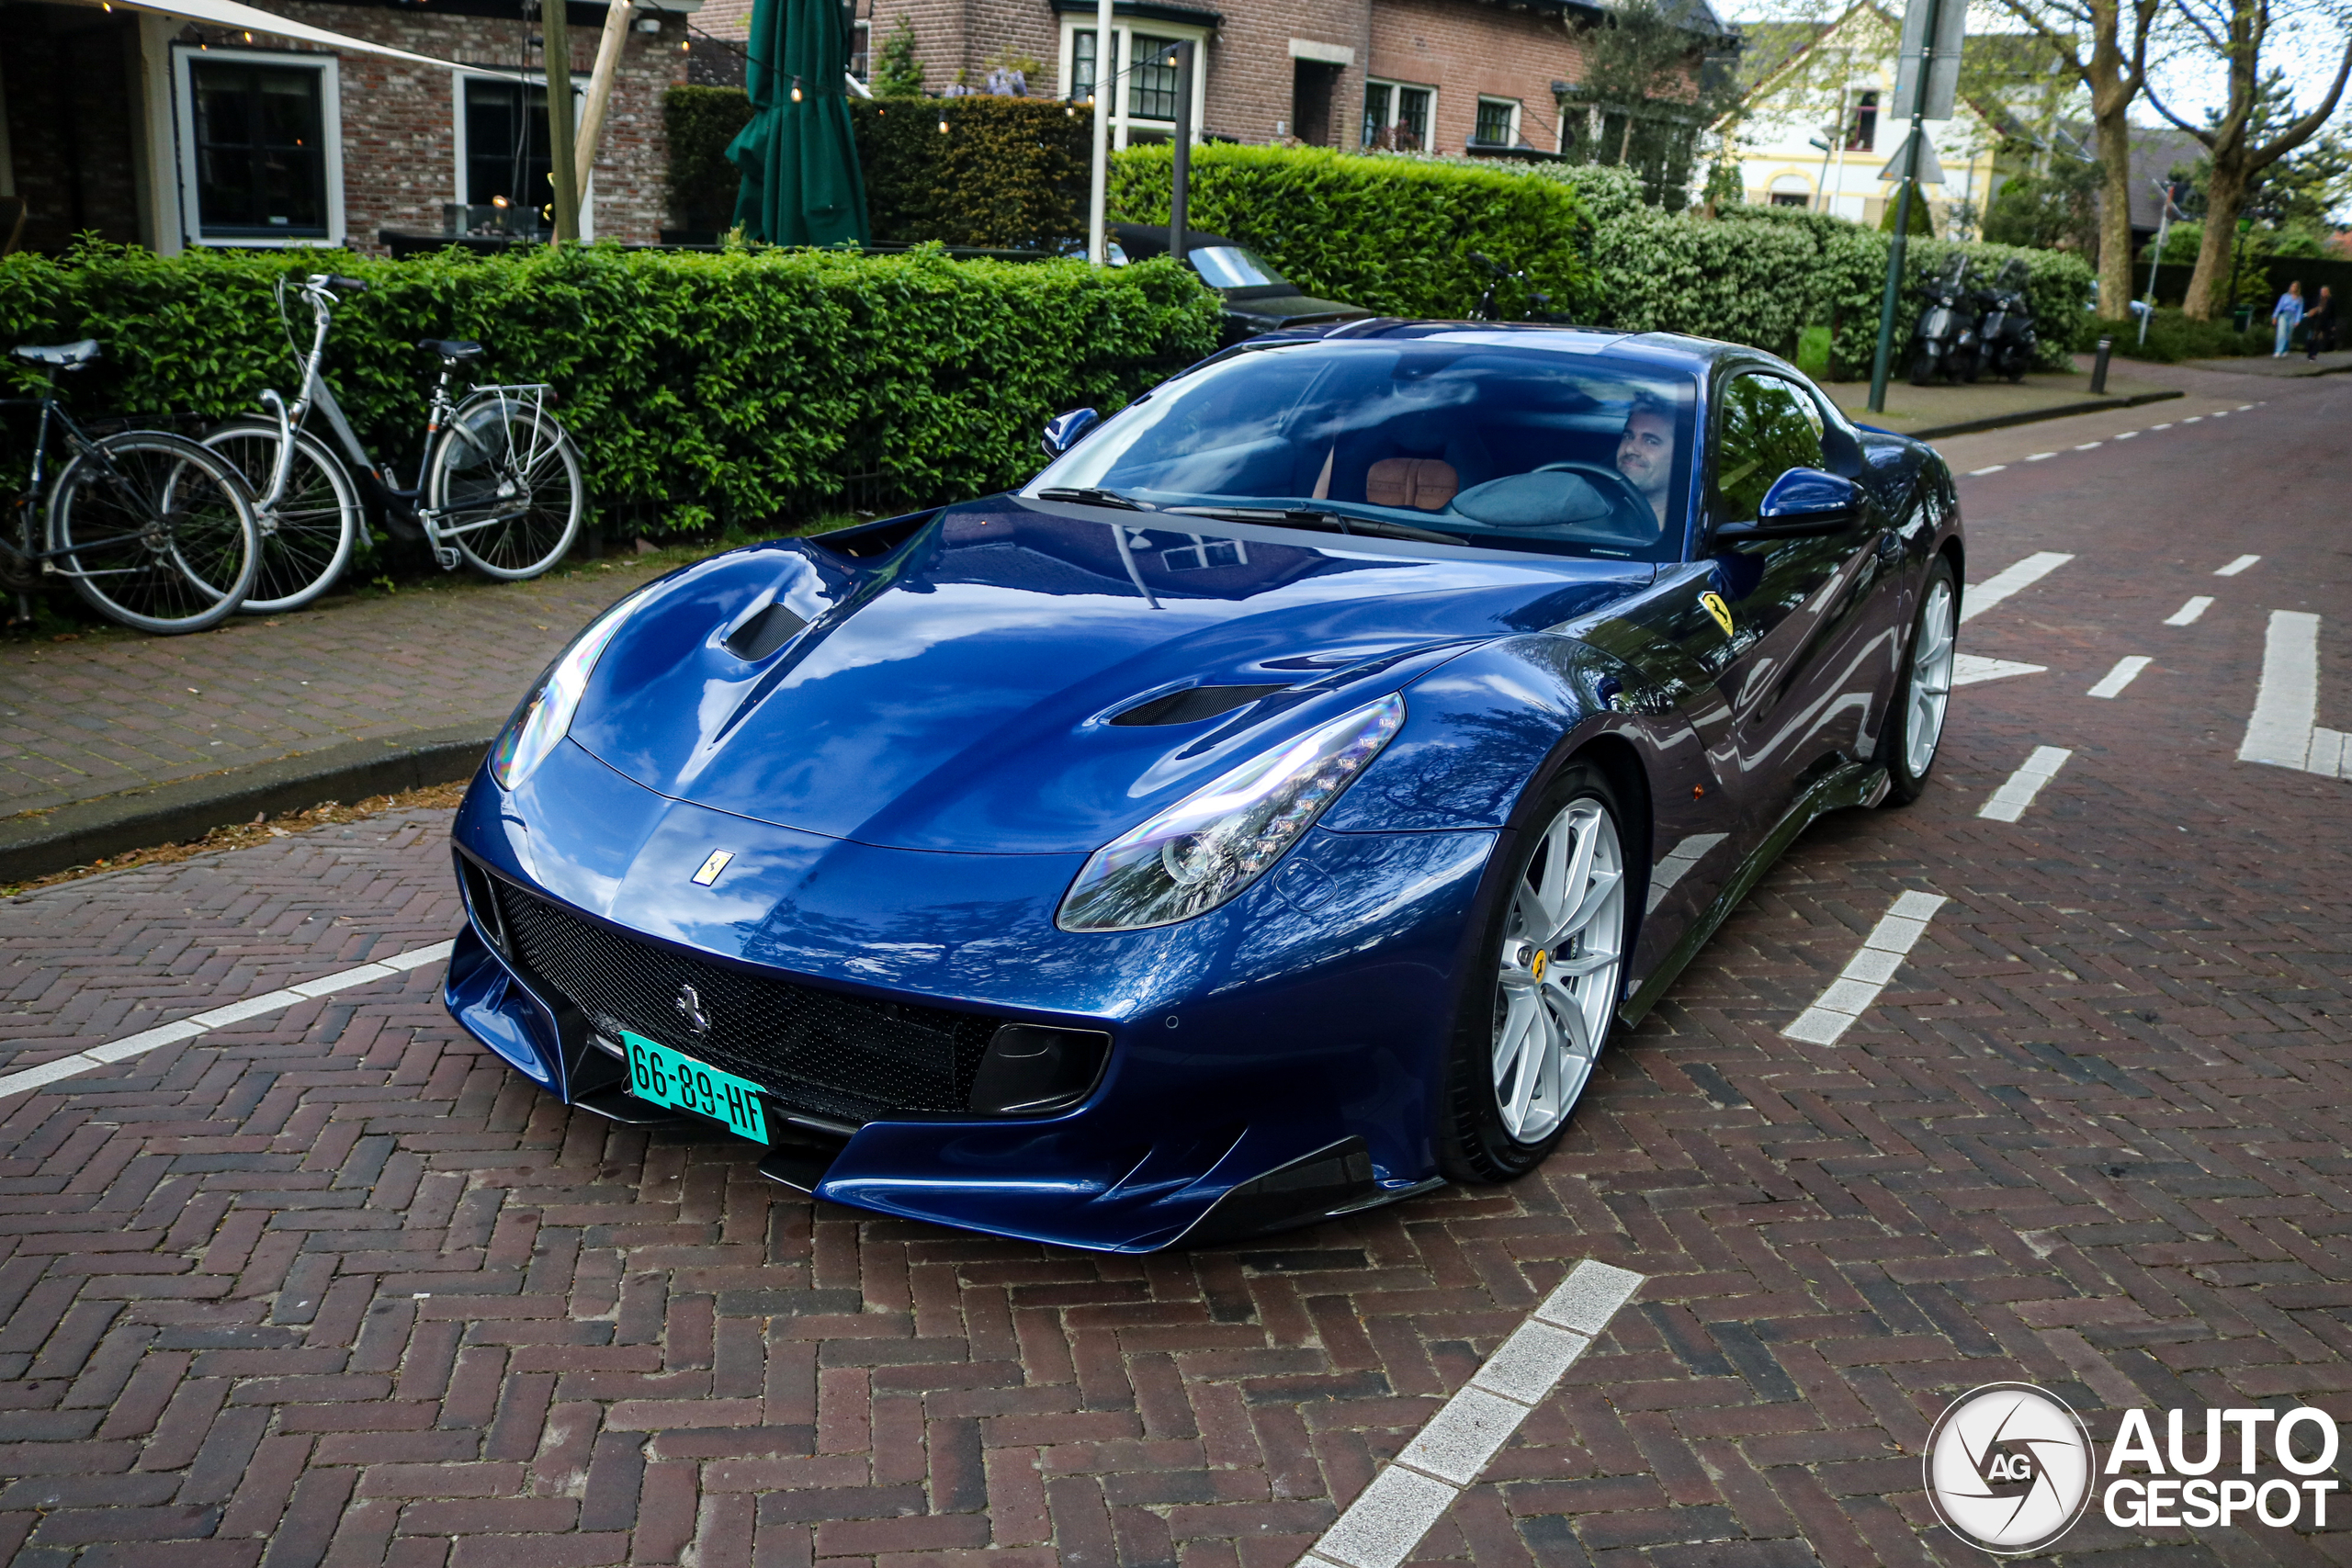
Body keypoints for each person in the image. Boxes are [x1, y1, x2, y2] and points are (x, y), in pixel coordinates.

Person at [1615, 395, 1678, 529]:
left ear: (1679, 455)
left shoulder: (1687, 526)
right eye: (1628, 436)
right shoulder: (1591, 505)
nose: (1630, 448)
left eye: (1650, 441)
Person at [2271, 280, 2304, 357]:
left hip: (2292, 315)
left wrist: (2297, 320)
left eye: (2296, 287)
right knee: (2281, 332)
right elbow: (2279, 307)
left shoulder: (2300, 299)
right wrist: (2274, 316)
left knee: (2288, 334)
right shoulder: (2285, 296)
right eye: (2293, 286)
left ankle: (2285, 349)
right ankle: (2278, 351)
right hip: (2284, 314)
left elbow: (2299, 310)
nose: (2294, 288)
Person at [2305, 285, 2336, 361]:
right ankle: (2310, 353)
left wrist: (2333, 325)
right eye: (2323, 291)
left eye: (2326, 291)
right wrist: (2315, 310)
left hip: (2324, 323)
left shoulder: (2331, 301)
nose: (2324, 293)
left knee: (2319, 340)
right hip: (2314, 322)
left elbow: (2333, 314)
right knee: (2310, 339)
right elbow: (2310, 310)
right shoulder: (2316, 299)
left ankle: (2313, 355)